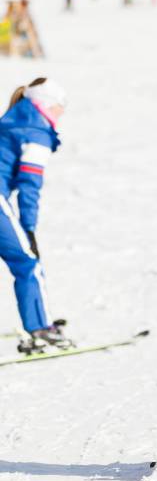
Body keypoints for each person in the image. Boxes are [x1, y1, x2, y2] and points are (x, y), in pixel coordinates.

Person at [0, 78, 70, 352]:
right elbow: (29, 186)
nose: (59, 117)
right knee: (27, 261)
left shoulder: (11, 119)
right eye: (59, 110)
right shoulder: (36, 130)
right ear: (48, 106)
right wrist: (28, 229)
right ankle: (41, 328)